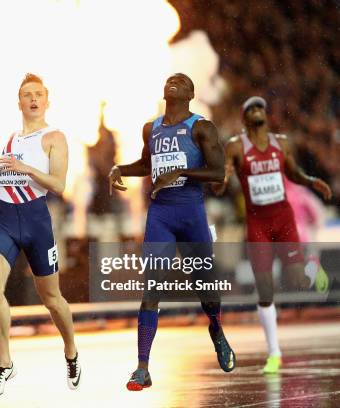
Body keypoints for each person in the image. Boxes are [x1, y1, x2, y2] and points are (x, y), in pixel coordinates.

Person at [109, 73, 236, 391]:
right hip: (161, 216)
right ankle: (142, 368)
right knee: (151, 288)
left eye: (182, 80)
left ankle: (216, 329)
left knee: (206, 288)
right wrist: (119, 169)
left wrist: (180, 171)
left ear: (191, 93)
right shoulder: (151, 128)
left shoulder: (201, 127)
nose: (174, 81)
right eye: (170, 79)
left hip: (191, 214)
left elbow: (217, 171)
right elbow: (146, 165)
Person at [0, 73, 81, 397]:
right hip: (4, 220)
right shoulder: (11, 138)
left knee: (52, 299)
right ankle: (5, 364)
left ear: (47, 101)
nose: (32, 99)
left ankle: (71, 350)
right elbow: (7, 173)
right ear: (19, 102)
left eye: (38, 94)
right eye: (27, 94)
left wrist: (27, 169)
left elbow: (58, 184)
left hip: (36, 223)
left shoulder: (54, 137)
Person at [213, 96, 332, 374]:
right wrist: (222, 181)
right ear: (244, 118)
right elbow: (227, 172)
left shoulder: (282, 143)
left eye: (260, 108)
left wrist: (312, 182)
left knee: (298, 282)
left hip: (284, 220)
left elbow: (294, 172)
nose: (257, 111)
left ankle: (312, 268)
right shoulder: (236, 146)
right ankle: (274, 353)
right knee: (265, 289)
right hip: (258, 226)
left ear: (266, 115)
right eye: (251, 108)